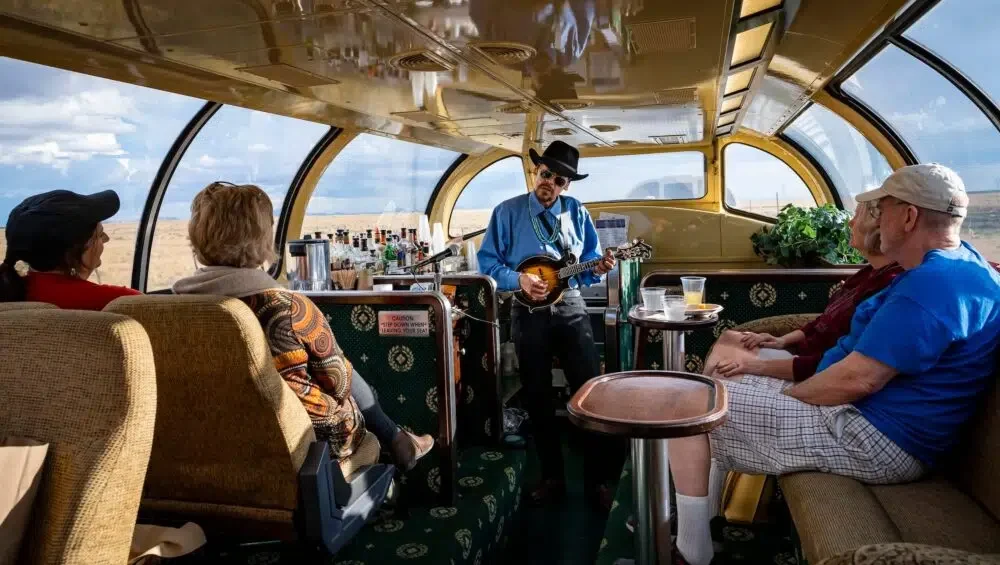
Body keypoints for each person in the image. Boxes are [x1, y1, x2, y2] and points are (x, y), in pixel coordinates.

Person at [668, 163, 1000, 565]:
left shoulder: (934, 285)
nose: (878, 218)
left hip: (879, 440)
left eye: (885, 208)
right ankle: (706, 522)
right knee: (712, 391)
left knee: (686, 408)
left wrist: (787, 393)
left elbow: (857, 380)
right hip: (887, 427)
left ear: (908, 216)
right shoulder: (960, 266)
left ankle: (691, 552)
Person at [171, 181, 433, 468]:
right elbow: (339, 383)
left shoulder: (170, 309)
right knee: (344, 372)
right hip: (303, 445)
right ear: (262, 239)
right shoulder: (287, 309)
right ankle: (396, 439)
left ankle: (398, 438)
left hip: (202, 441)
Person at [477, 140, 619, 510]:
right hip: (527, 313)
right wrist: (517, 280)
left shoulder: (576, 212)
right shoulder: (505, 213)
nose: (550, 184)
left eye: (559, 180)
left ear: (567, 185)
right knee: (537, 397)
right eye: (545, 174)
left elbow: (589, 259)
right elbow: (487, 265)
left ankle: (598, 481)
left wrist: (599, 267)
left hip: (570, 308)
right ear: (534, 172)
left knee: (589, 394)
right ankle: (552, 478)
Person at [705, 200, 902, 382]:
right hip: (800, 355)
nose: (850, 223)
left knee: (720, 374)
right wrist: (781, 340)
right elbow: (822, 321)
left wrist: (752, 366)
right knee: (730, 338)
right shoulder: (868, 273)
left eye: (857, 217)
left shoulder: (887, 284)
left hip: (811, 369)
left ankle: (701, 407)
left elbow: (835, 362)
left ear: (878, 231)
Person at [0, 190, 140, 309]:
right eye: (100, 235)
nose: (106, 239)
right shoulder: (122, 302)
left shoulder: (10, 295)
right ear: (76, 249)